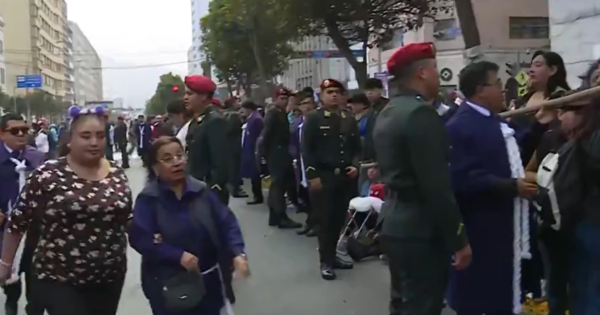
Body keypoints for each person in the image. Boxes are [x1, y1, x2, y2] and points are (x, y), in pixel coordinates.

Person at [0, 106, 132, 315]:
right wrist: (5, 264)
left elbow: (126, 219)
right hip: (59, 278)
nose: (94, 142)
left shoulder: (116, 174)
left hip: (109, 276)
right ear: (70, 139)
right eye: (86, 136)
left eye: (100, 135)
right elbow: (17, 222)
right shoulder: (48, 174)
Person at [445, 61, 553, 315]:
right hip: (480, 226)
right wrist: (510, 186)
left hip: (507, 225)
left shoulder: (496, 121)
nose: (504, 89)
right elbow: (462, 178)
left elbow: (518, 152)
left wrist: (539, 125)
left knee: (503, 294)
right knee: (477, 297)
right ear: (480, 89)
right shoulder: (459, 126)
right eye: (498, 84)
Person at [373, 42, 471, 315]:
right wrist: (458, 240)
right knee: (422, 306)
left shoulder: (389, 111)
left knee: (402, 302)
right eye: (436, 69)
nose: (439, 76)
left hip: (395, 222)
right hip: (420, 230)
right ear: (422, 72)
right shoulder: (420, 114)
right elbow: (436, 187)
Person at [129, 136, 249, 315]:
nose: (176, 162)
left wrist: (237, 253)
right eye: (168, 159)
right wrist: (177, 255)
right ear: (155, 167)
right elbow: (140, 238)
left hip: (210, 282)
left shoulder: (202, 191)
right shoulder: (149, 199)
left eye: (180, 155)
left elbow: (227, 223)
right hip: (170, 285)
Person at [302, 79, 361, 279]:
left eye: (337, 91)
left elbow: (355, 147)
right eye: (329, 92)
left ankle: (333, 255)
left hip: (344, 177)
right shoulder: (313, 119)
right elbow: (307, 150)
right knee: (325, 221)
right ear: (321, 95)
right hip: (324, 176)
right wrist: (312, 176)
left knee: (338, 220)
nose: (334, 95)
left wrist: (355, 164)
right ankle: (325, 261)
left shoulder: (348, 117)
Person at [0, 113, 46, 315]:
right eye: (15, 131)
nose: (21, 134)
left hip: (35, 230)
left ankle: (33, 308)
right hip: (4, 230)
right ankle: (11, 304)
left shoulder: (37, 158)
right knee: (10, 277)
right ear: (2, 134)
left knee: (36, 276)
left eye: (25, 130)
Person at [184, 75, 230, 205]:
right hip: (195, 189)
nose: (185, 98)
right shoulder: (196, 121)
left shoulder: (215, 121)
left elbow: (220, 163)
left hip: (207, 193)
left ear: (204, 96)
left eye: (190, 93)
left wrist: (214, 190)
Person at [261, 88, 302, 229]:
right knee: (279, 186)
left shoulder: (281, 113)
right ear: (276, 99)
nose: (285, 101)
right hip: (277, 153)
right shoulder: (274, 113)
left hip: (281, 152)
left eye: (287, 98)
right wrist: (263, 155)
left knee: (279, 185)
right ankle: (281, 217)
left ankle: (274, 216)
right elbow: (266, 135)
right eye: (282, 98)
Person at [293, 91, 318, 237]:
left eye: (309, 103)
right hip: (300, 162)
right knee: (305, 193)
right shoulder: (297, 123)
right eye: (303, 104)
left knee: (315, 194)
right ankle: (310, 221)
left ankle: (316, 224)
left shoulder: (317, 120)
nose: (306, 107)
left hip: (314, 162)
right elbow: (292, 142)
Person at [240, 100, 264, 205]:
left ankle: (257, 196)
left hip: (254, 150)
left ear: (249, 109)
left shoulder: (256, 119)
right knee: (253, 173)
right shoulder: (251, 119)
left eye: (243, 108)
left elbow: (259, 136)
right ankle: (256, 194)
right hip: (249, 149)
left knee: (255, 174)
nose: (242, 111)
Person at [223, 97, 246, 198]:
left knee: (233, 167)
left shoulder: (226, 114)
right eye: (237, 101)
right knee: (235, 168)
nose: (239, 103)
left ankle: (234, 187)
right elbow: (230, 130)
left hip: (229, 145)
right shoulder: (233, 115)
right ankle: (235, 189)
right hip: (234, 144)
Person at [362, 78, 389, 162]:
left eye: (373, 90)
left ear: (381, 90)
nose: (369, 93)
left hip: (384, 152)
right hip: (371, 153)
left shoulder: (388, 106)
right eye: (367, 90)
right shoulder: (370, 109)